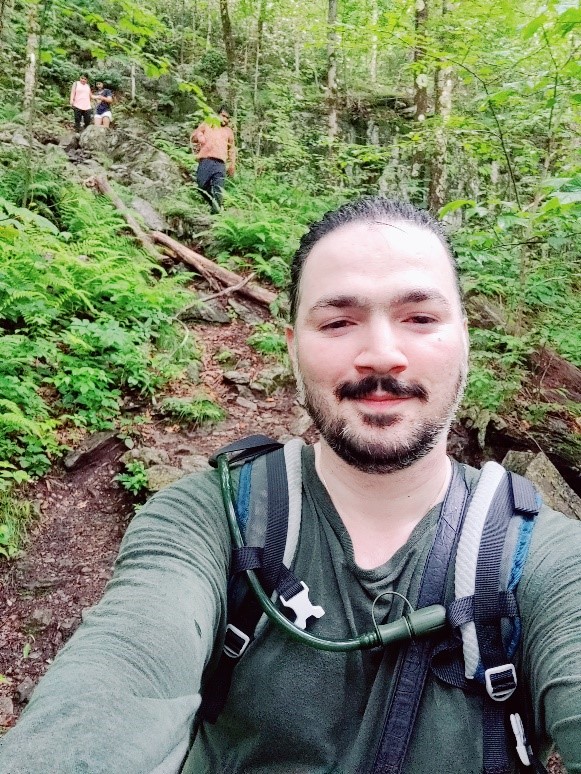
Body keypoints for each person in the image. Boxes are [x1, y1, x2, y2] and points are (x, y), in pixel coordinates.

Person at [0, 197, 580, 774]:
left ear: (465, 340)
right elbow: (123, 670)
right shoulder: (210, 520)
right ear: (292, 347)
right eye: (338, 323)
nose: (382, 354)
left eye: (421, 318)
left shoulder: (549, 560)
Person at [190, 107, 236, 213]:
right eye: (223, 116)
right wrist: (200, 135)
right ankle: (215, 205)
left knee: (218, 190)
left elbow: (232, 149)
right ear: (218, 114)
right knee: (201, 186)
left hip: (220, 163)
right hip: (206, 160)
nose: (225, 119)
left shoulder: (228, 131)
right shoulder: (208, 123)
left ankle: (215, 214)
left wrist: (232, 164)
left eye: (227, 118)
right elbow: (194, 136)